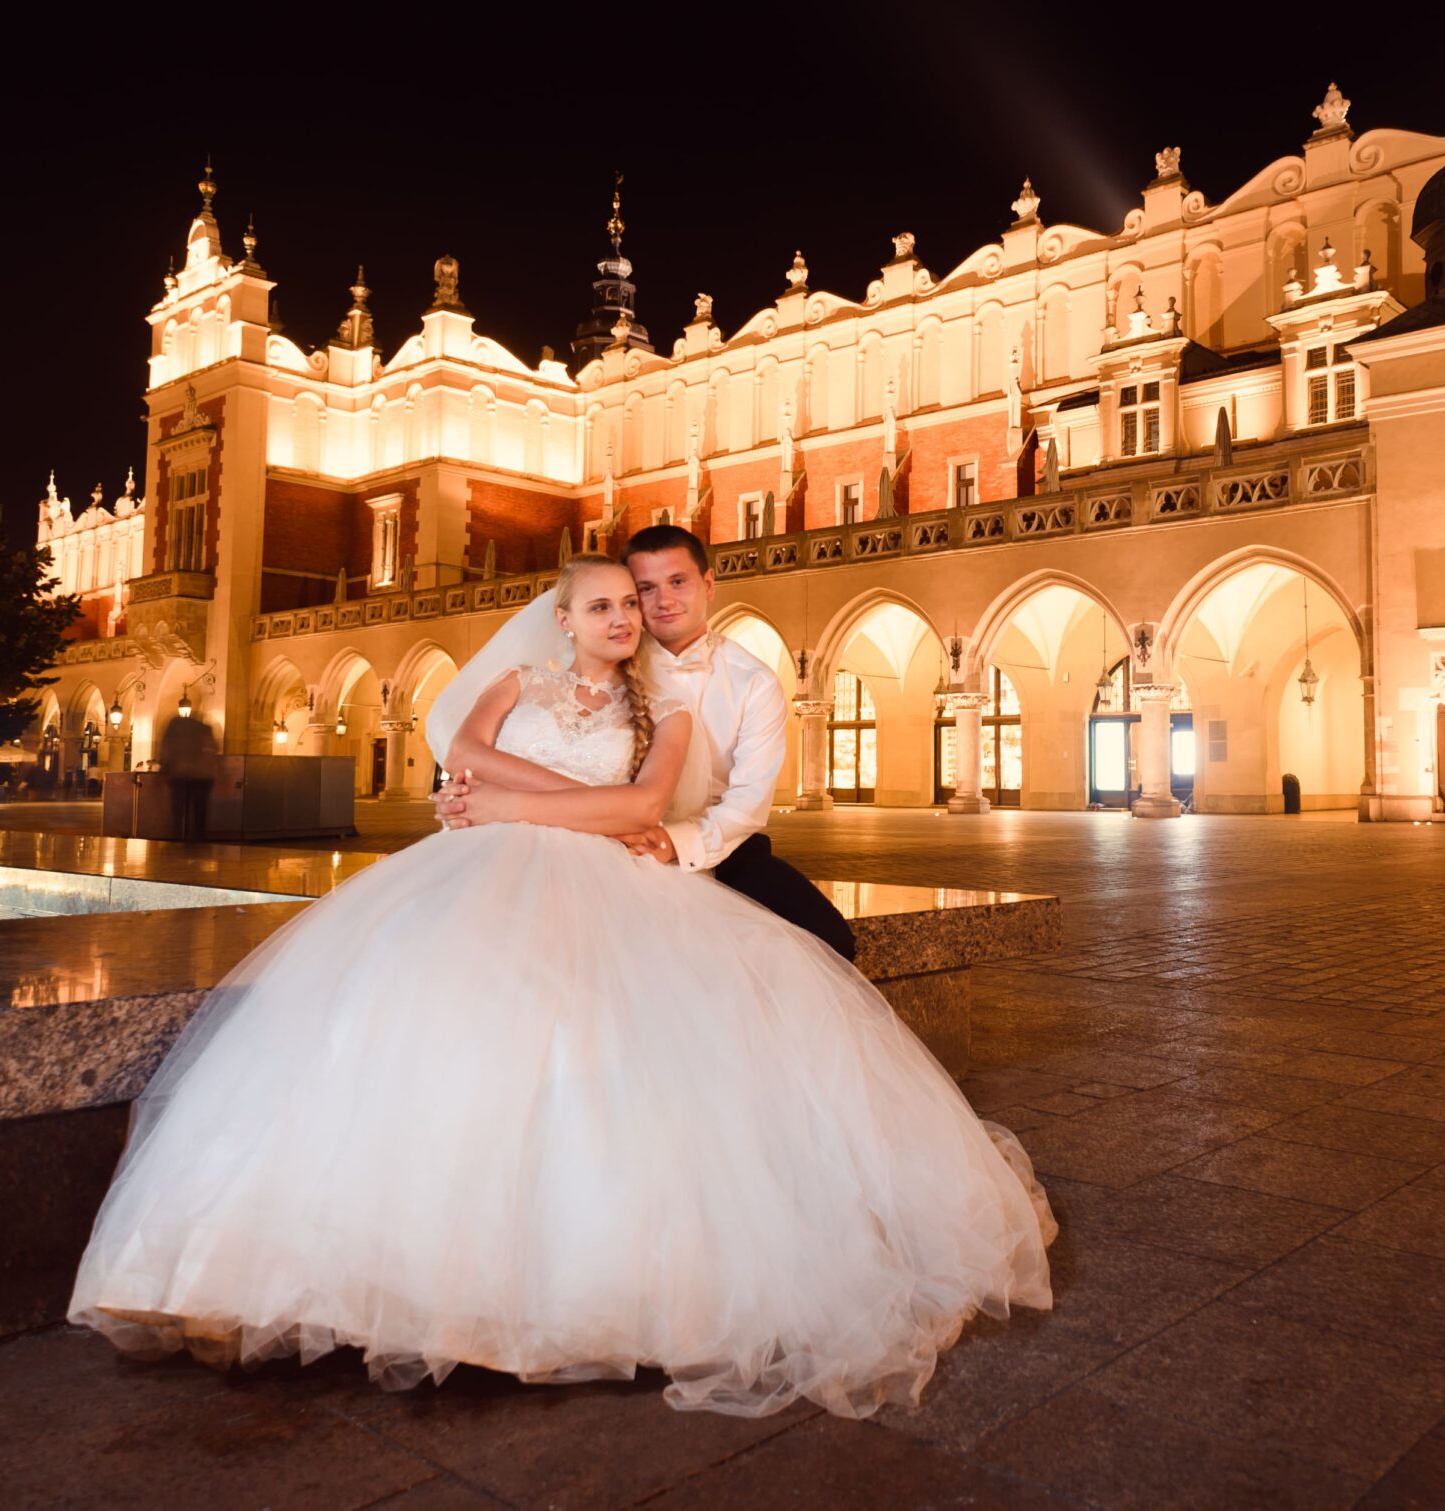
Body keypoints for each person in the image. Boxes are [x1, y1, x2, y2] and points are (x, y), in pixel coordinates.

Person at [67, 556, 1052, 1418]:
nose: (626, 615)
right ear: (564, 617)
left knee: (625, 1037)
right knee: (434, 1021)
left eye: (637, 601)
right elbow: (463, 754)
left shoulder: (666, 705)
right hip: (491, 869)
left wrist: (508, 797)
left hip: (636, 866)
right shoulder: (518, 680)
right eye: (603, 603)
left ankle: (578, 1281)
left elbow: (640, 803)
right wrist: (493, 796)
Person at [434, 526, 857, 960]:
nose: (663, 601)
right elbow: (519, 738)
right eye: (644, 590)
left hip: (708, 841)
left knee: (827, 938)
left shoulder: (754, 682)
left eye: (678, 582)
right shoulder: (600, 651)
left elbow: (747, 803)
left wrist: (672, 842)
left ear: (708, 584)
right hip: (586, 830)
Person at [156, 710, 219, 841]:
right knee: (200, 810)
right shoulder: (205, 729)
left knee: (178, 809)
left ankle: (177, 836)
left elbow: (166, 750)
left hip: (180, 775)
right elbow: (213, 749)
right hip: (203, 777)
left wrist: (164, 768)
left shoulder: (174, 728)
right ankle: (198, 837)